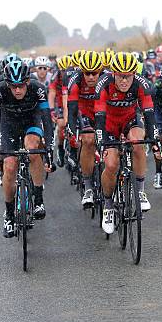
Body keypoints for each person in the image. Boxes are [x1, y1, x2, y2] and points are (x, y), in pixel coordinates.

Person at [95, 52, 157, 234]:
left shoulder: (141, 84)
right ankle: (107, 206)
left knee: (138, 142)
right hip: (109, 125)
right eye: (120, 76)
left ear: (134, 74)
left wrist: (154, 141)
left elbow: (149, 114)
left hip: (131, 119)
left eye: (128, 76)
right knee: (112, 164)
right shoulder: (103, 85)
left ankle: (139, 191)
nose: (124, 81)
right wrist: (102, 143)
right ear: (113, 73)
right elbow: (99, 116)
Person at [0, 60, 54, 237]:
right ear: (7, 84)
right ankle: (9, 215)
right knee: (10, 165)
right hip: (8, 124)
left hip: (31, 121)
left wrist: (48, 147)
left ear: (27, 82)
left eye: (21, 86)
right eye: (13, 86)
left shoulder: (38, 88)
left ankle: (39, 199)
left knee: (33, 148)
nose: (17, 90)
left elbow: (46, 119)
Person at [67, 51, 104, 208]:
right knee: (88, 140)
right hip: (85, 114)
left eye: (94, 73)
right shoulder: (75, 81)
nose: (90, 77)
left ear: (100, 71)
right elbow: (72, 110)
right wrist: (73, 128)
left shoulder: (107, 79)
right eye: (87, 73)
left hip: (105, 112)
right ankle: (88, 187)